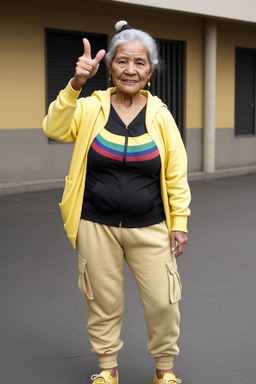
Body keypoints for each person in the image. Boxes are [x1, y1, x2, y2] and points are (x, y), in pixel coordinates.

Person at [43, 20, 191, 384]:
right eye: (122, 61)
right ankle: (107, 369)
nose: (130, 69)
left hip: (151, 225)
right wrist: (75, 84)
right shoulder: (92, 108)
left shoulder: (161, 116)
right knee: (102, 303)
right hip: (96, 224)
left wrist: (179, 223)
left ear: (151, 70)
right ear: (109, 68)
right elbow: (54, 128)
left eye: (140, 62)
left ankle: (164, 370)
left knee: (163, 302)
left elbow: (176, 174)